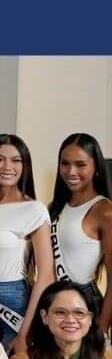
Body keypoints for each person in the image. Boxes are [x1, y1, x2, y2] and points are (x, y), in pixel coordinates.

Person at [0, 134, 53, 352]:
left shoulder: (34, 209)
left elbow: (46, 274)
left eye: (16, 160)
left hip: (11, 298)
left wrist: (24, 332)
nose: (7, 166)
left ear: (25, 165)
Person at [48, 133, 112, 332]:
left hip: (85, 303)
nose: (71, 171)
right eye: (65, 163)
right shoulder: (55, 206)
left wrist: (100, 332)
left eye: (81, 164)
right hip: (54, 301)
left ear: (96, 167)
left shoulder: (104, 211)